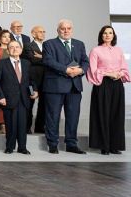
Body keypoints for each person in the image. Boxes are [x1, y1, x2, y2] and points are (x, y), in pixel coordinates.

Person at [43, 19, 89, 154]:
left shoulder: (79, 44)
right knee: (53, 116)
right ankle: (52, 144)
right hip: (55, 86)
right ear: (58, 30)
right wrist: (66, 70)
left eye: (69, 28)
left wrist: (81, 70)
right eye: (63, 28)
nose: (66, 31)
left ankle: (71, 144)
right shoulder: (49, 44)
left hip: (74, 87)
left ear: (72, 30)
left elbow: (85, 61)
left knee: (73, 117)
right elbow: (48, 60)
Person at [87, 25, 129, 155]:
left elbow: (124, 68)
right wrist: (108, 73)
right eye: (105, 33)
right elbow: (93, 70)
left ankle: (115, 145)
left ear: (113, 35)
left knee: (117, 114)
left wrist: (120, 74)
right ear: (101, 35)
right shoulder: (95, 50)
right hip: (102, 84)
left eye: (110, 33)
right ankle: (104, 146)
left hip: (117, 85)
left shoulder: (119, 50)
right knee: (102, 114)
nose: (107, 35)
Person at [0, 41, 38, 154]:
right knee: (10, 124)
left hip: (24, 98)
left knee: (23, 125)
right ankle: (9, 147)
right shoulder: (2, 63)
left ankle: (22, 147)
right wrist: (1, 96)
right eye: (11, 47)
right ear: (7, 50)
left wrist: (35, 91)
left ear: (21, 49)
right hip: (8, 98)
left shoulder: (26, 63)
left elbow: (31, 80)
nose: (14, 49)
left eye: (17, 47)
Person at [25, 25, 46, 133]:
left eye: (43, 31)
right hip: (32, 80)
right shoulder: (28, 45)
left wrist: (41, 57)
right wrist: (46, 58)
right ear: (33, 34)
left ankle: (40, 127)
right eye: (40, 31)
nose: (42, 33)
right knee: (29, 104)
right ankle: (27, 127)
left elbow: (51, 60)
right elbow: (32, 59)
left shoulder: (47, 46)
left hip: (46, 80)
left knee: (44, 104)